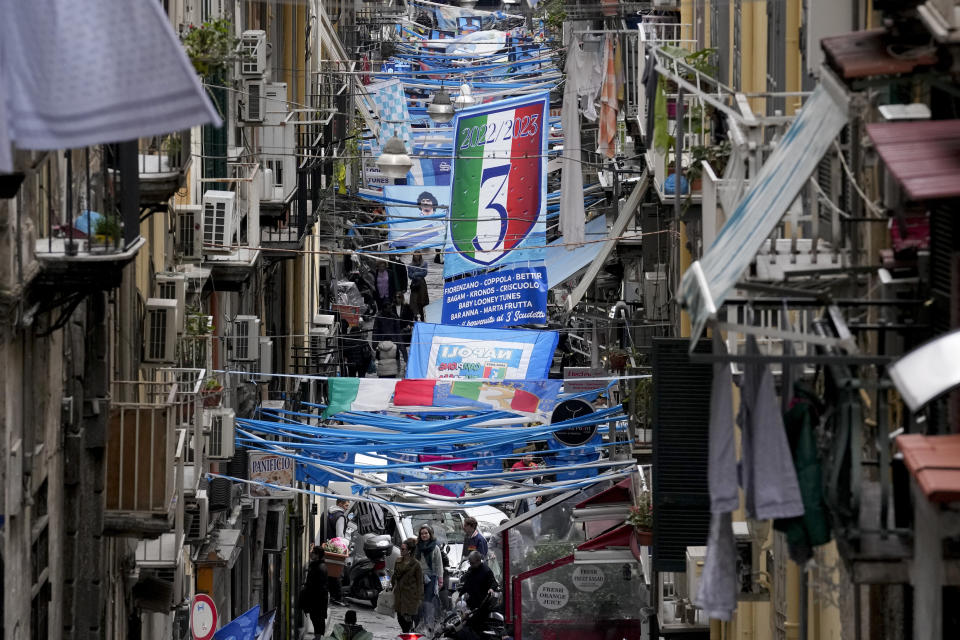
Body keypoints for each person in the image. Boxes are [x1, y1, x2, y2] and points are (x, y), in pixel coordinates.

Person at [457, 551, 498, 635]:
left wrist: (491, 589)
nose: (471, 565)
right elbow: (467, 584)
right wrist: (460, 594)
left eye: (472, 563)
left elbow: (494, 582)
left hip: (482, 604)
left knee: (474, 626)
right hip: (472, 602)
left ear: (479, 561)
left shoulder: (486, 571)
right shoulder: (471, 569)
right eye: (470, 563)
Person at [415, 524, 444, 629]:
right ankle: (419, 622)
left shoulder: (435, 547)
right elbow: (414, 562)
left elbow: (439, 564)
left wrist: (440, 580)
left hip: (431, 577)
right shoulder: (417, 547)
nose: (424, 535)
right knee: (419, 601)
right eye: (422, 534)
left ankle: (428, 622)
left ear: (430, 534)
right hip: (418, 577)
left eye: (426, 533)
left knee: (427, 600)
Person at [393, 537, 424, 633]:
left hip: (410, 597)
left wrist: (419, 598)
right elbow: (394, 576)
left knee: (407, 621)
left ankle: (407, 634)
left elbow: (420, 582)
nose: (401, 551)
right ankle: (407, 633)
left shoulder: (416, 564)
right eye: (401, 548)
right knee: (400, 618)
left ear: (409, 551)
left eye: (403, 549)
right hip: (399, 595)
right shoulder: (398, 561)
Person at [302, 547, 329, 637]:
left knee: (318, 619)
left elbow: (320, 586)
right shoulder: (314, 565)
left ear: (317, 555)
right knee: (314, 617)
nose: (311, 554)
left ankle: (318, 637)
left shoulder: (321, 567)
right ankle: (317, 637)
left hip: (318, 599)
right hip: (314, 597)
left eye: (313, 553)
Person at [407, 251, 430, 321]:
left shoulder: (424, 263)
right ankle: (415, 316)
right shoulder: (410, 265)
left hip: (422, 284)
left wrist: (416, 273)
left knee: (422, 300)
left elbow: (424, 273)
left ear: (420, 256)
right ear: (413, 256)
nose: (416, 257)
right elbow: (410, 276)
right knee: (414, 300)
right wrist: (417, 275)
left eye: (418, 255)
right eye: (415, 256)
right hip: (414, 284)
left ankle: (423, 316)